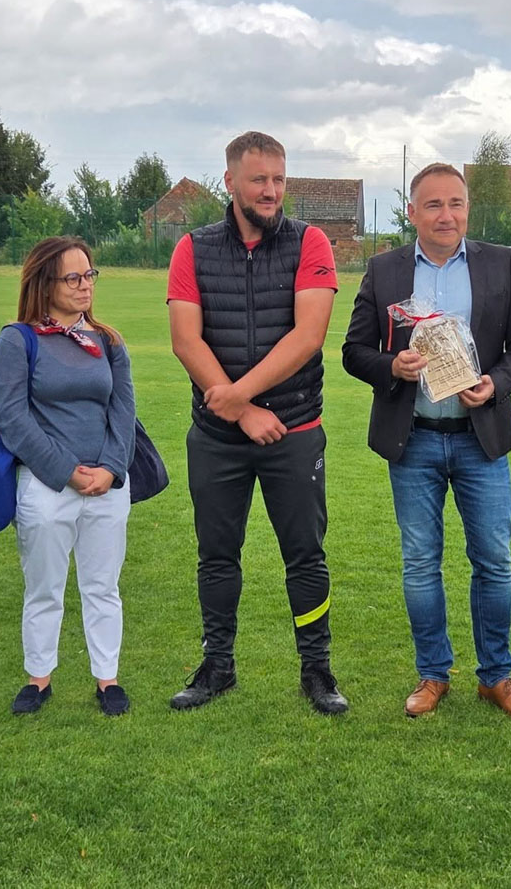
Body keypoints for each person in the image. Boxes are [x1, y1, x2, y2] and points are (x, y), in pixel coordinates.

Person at [341, 163, 511, 720]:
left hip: (481, 441)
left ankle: (496, 677)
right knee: (419, 563)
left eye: (455, 203)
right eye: (433, 204)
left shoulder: (499, 263)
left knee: (494, 561)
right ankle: (432, 674)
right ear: (412, 212)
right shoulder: (384, 270)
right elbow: (354, 351)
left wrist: (494, 383)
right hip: (414, 441)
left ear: (467, 209)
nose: (446, 215)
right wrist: (393, 366)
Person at [166, 131, 346, 715]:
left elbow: (308, 335)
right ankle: (217, 666)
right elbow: (186, 340)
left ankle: (316, 670)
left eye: (279, 179)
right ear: (230, 182)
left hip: (294, 431)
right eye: (259, 179)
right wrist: (242, 412)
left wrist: (240, 395)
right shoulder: (192, 248)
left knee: (306, 556)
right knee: (217, 556)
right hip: (218, 437)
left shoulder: (310, 241)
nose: (271, 191)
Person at [0, 237, 136, 717]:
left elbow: (124, 413)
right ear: (44, 283)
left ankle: (107, 679)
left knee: (103, 586)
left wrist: (110, 469)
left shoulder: (108, 341)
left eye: (89, 274)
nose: (84, 285)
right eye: (72, 277)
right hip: (46, 485)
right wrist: (67, 472)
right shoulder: (18, 340)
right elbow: (12, 418)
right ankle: (39, 678)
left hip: (106, 486)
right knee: (44, 587)